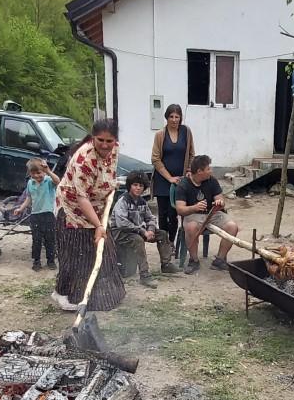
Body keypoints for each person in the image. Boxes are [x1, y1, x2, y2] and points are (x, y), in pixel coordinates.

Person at [51, 119, 126, 312]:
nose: (105, 145)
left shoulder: (114, 148)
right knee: (77, 255)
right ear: (93, 138)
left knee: (103, 252)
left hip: (98, 206)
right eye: (100, 140)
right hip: (74, 209)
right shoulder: (83, 159)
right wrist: (99, 226)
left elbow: (110, 170)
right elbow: (81, 198)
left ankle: (102, 295)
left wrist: (110, 186)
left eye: (109, 141)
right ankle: (65, 295)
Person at [110, 172, 178, 288]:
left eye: (141, 186)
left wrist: (151, 229)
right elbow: (123, 224)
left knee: (161, 234)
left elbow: (150, 217)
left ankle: (166, 264)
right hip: (121, 233)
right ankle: (144, 274)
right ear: (129, 186)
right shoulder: (123, 201)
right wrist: (143, 231)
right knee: (138, 240)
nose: (138, 188)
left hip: (136, 231)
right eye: (135, 185)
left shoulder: (142, 201)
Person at [175, 155, 239, 274]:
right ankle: (194, 260)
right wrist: (194, 207)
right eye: (208, 168)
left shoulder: (212, 180)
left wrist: (220, 203)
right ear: (199, 171)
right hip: (193, 214)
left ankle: (220, 260)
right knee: (190, 227)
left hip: (212, 213)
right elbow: (180, 209)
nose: (211, 171)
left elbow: (221, 200)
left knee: (232, 227)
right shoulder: (183, 184)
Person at [151, 104, 195, 247]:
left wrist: (189, 170)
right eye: (171, 116)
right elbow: (155, 158)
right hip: (163, 180)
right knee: (163, 215)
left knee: (174, 213)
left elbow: (191, 154)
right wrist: (169, 177)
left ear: (181, 117)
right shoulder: (160, 135)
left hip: (180, 181)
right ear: (167, 117)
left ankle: (171, 242)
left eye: (177, 116)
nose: (174, 120)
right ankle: (163, 244)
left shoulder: (186, 132)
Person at [16, 158, 59, 271]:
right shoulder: (30, 183)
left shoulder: (49, 181)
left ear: (44, 171)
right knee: (37, 240)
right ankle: (36, 261)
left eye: (39, 173)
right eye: (33, 173)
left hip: (49, 214)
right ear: (29, 173)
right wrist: (20, 209)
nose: (36, 176)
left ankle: (51, 261)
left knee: (50, 239)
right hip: (35, 215)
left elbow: (58, 181)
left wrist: (49, 171)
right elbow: (29, 198)